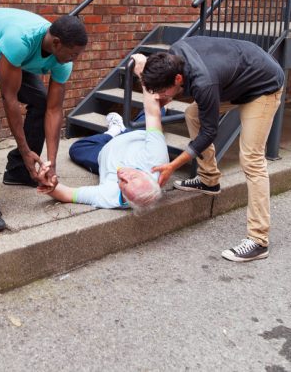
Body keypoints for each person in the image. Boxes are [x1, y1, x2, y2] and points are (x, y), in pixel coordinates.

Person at [140, 36, 284, 262]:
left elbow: (209, 132)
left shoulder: (203, 82)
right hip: (237, 79)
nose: (162, 98)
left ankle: (258, 240)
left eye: (164, 93)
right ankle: (209, 179)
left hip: (263, 86)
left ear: (178, 78)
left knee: (252, 159)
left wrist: (173, 165)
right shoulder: (174, 53)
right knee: (192, 113)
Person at [0, 7, 88, 232]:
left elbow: (54, 109)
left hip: (3, 51)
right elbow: (10, 98)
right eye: (73, 53)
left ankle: (19, 172)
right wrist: (25, 150)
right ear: (56, 43)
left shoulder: (63, 60)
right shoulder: (22, 39)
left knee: (42, 101)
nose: (75, 59)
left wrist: (50, 164)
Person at [37, 54, 169, 211]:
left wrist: (50, 185)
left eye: (123, 185)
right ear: (149, 177)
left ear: (125, 199)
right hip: (136, 136)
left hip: (103, 154)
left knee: (76, 149)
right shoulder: (156, 160)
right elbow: (152, 113)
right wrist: (143, 73)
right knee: (160, 108)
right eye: (133, 177)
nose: (123, 176)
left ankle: (113, 131)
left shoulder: (110, 197)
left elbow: (67, 194)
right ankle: (121, 129)